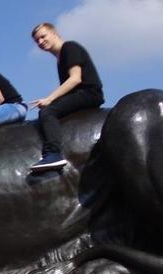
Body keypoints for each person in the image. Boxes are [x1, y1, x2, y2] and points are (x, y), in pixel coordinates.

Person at [29, 22, 104, 173]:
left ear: (54, 33)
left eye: (43, 36)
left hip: (89, 93)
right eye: (37, 41)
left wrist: (50, 99)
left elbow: (75, 79)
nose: (40, 42)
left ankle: (53, 154)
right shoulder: (60, 59)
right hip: (80, 93)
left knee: (47, 112)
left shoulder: (69, 47)